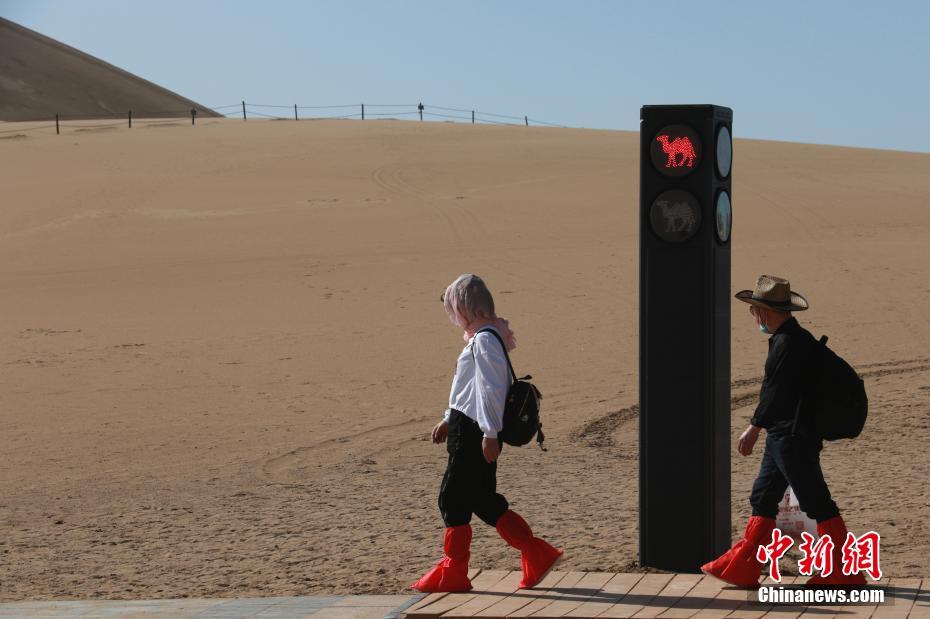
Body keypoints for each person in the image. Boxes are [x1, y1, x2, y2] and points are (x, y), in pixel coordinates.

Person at [701, 275, 866, 588]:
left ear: (764, 312)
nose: (753, 317)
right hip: (784, 435)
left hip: (793, 437)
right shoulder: (790, 339)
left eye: (754, 311)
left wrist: (753, 427)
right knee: (763, 496)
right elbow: (778, 392)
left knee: (816, 500)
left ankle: (844, 570)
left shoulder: (789, 343)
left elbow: (776, 392)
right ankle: (744, 562)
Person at [411, 274, 563, 592]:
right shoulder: (484, 336)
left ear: (466, 306)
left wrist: (490, 433)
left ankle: (455, 571)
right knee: (483, 499)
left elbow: (492, 389)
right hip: (468, 427)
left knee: (452, 499)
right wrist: (448, 419)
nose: (453, 314)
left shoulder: (484, 340)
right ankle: (536, 553)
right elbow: (468, 389)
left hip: (475, 433)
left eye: (455, 306)